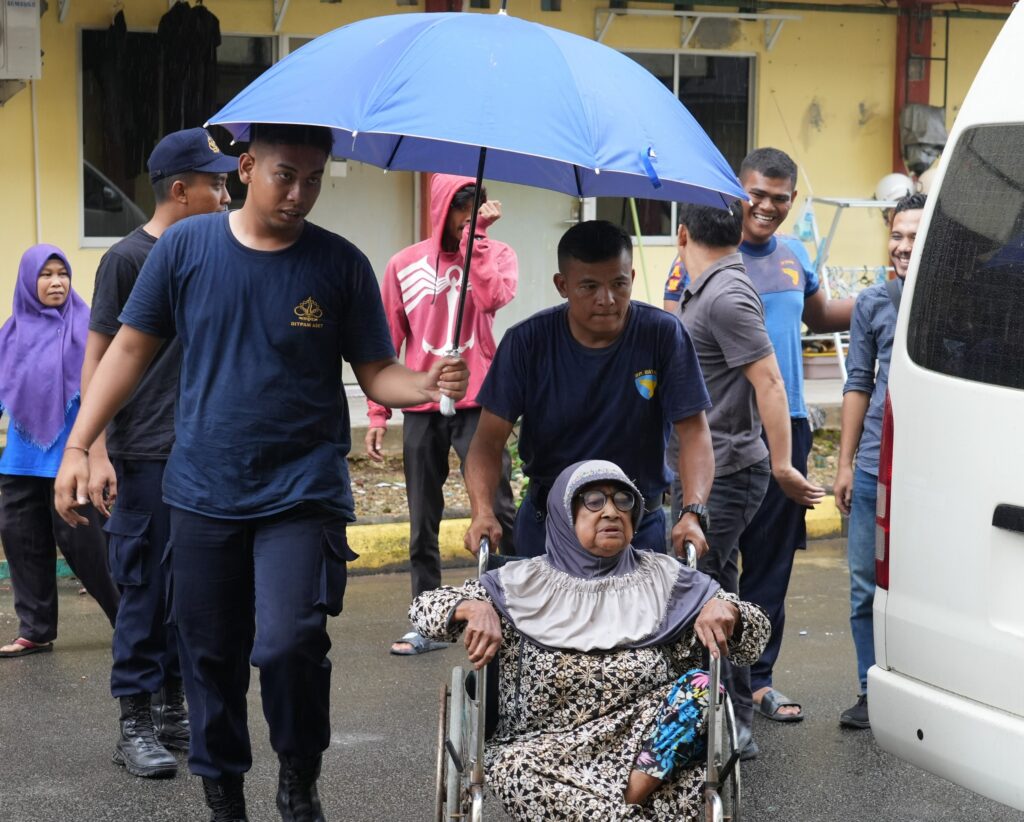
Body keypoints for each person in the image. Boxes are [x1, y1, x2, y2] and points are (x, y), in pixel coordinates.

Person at [53, 123, 469, 822]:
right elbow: (128, 348)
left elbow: (376, 371)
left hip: (301, 492)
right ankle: (224, 796)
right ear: (246, 167)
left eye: (314, 179)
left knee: (288, 644)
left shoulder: (339, 264)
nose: (300, 193)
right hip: (203, 491)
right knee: (209, 656)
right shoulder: (187, 248)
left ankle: (298, 778)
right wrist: (78, 445)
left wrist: (426, 379)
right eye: (285, 176)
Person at [412, 460, 770, 820]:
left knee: (703, 689)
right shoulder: (519, 581)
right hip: (546, 748)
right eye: (594, 501)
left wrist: (728, 610)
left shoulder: (666, 577)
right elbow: (424, 612)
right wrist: (471, 607)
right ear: (564, 514)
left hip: (645, 742)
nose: (612, 512)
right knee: (513, 771)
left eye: (623, 501)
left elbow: (754, 638)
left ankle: (624, 798)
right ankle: (628, 810)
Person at [666, 148, 853, 722]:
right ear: (735, 193)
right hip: (724, 436)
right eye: (756, 193)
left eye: (779, 197)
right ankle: (723, 696)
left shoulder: (795, 258)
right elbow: (674, 342)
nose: (766, 206)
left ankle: (757, 682)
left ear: (792, 201)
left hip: (786, 426)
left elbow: (821, 317)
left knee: (770, 564)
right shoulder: (702, 264)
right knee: (719, 567)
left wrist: (895, 292)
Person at [82, 128, 237, 779]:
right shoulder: (126, 258)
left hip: (203, 456)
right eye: (216, 184)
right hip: (143, 453)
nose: (227, 195)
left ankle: (174, 709)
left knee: (190, 594)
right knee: (143, 593)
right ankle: (135, 723)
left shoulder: (218, 255)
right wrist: (91, 450)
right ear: (181, 190)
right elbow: (98, 355)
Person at [465, 219, 715, 561]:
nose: (607, 299)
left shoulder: (662, 335)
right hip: (550, 526)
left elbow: (695, 433)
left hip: (638, 526)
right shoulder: (527, 343)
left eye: (619, 283)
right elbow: (487, 442)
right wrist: (482, 511)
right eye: (589, 287)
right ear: (562, 285)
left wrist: (693, 512)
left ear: (633, 279)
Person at [363, 174, 518, 656]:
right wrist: (377, 412)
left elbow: (495, 298)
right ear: (440, 207)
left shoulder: (498, 254)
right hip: (421, 403)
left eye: (474, 206)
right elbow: (386, 340)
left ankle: (509, 614)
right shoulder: (404, 264)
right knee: (421, 516)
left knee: (499, 511)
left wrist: (478, 246)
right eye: (458, 207)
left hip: (480, 404)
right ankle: (429, 620)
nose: (465, 216)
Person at [0, 245, 120, 659]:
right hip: (19, 462)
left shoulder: (89, 329)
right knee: (23, 546)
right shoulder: (10, 333)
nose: (56, 282)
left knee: (90, 550)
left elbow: (106, 391)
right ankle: (35, 629)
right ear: (28, 282)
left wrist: (95, 453)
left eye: (62, 273)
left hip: (73, 461)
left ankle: (129, 623)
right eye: (46, 274)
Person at [834, 192, 926, 730]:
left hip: (934, 473)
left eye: (916, 236)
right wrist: (845, 464)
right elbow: (857, 384)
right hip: (875, 467)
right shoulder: (873, 303)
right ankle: (871, 690)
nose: (904, 246)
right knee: (865, 584)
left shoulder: (952, 302)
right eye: (897, 235)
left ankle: (925, 686)